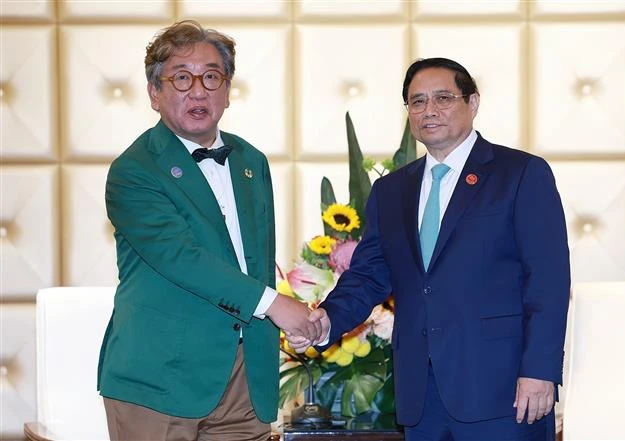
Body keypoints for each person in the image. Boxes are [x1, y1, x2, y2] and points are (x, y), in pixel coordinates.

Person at [290, 57, 570, 441]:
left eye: (443, 98)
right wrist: (324, 320)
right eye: (417, 102)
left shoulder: (519, 173)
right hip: (421, 394)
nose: (429, 110)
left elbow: (548, 281)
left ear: (472, 104)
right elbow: (369, 275)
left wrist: (540, 369)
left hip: (503, 390)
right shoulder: (391, 191)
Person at [97, 20, 320, 441]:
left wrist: (294, 321)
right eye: (182, 77)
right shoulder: (134, 170)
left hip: (244, 377)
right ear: (154, 93)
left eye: (212, 76)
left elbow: (252, 261)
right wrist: (276, 305)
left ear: (227, 89)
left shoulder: (251, 160)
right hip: (160, 378)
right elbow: (180, 258)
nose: (198, 90)